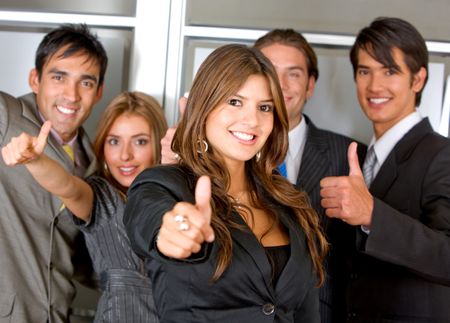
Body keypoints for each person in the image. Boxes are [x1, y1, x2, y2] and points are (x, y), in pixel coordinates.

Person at [124, 44, 328, 323]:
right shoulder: (165, 184)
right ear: (204, 107)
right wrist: (172, 231)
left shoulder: (288, 199)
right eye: (234, 102)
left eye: (264, 107)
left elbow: (306, 312)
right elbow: (149, 217)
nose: (252, 120)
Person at [320, 17, 450, 322]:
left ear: (417, 80)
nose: (374, 86)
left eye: (389, 71)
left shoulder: (442, 155)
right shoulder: (357, 157)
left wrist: (373, 216)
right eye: (365, 71)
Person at [2, 91, 166, 322]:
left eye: (140, 141)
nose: (125, 155)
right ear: (102, 147)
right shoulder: (102, 198)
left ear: (158, 143)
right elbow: (68, 187)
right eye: (114, 141)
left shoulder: (173, 201)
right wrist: (36, 161)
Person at [0, 24, 107, 322]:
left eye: (85, 83)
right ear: (35, 80)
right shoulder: (6, 115)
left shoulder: (95, 163)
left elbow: (88, 262)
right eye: (59, 77)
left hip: (56, 314)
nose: (71, 95)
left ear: (98, 92)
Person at [254, 29, 363, 322]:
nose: (281, 83)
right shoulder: (223, 153)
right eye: (269, 70)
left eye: (294, 73)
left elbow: (359, 257)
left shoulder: (348, 155)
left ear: (310, 85)